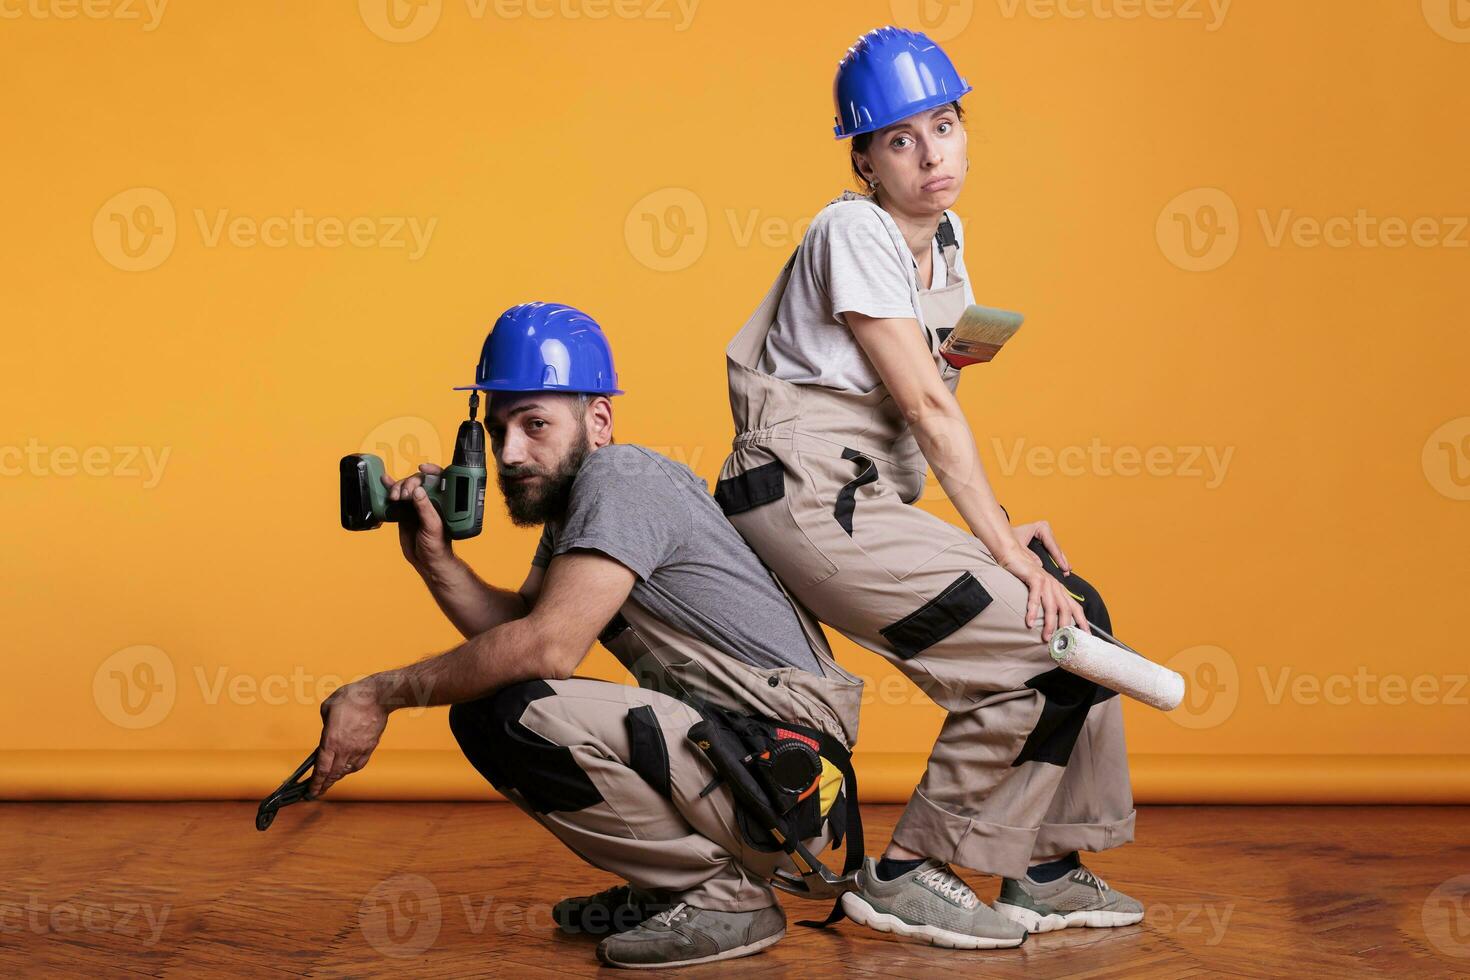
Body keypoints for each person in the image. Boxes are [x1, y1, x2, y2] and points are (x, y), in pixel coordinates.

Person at [714, 26, 1143, 948]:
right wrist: (998, 546)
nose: (929, 154)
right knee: (1041, 638)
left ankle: (1041, 867)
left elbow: (931, 404)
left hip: (865, 498)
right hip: (800, 495)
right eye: (899, 139)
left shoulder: (947, 242)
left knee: (1082, 614)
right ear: (863, 157)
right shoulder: (852, 231)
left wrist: (1001, 532)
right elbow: (927, 408)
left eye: (943, 126)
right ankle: (909, 871)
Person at [310, 302, 872, 969]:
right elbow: (522, 630)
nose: (511, 453)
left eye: (534, 424)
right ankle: (675, 885)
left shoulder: (621, 477)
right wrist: (433, 558)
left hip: (790, 769)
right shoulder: (576, 502)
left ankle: (720, 896)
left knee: (512, 714)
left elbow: (546, 650)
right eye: (498, 431)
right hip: (742, 749)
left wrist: (380, 694)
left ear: (598, 420)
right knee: (497, 702)